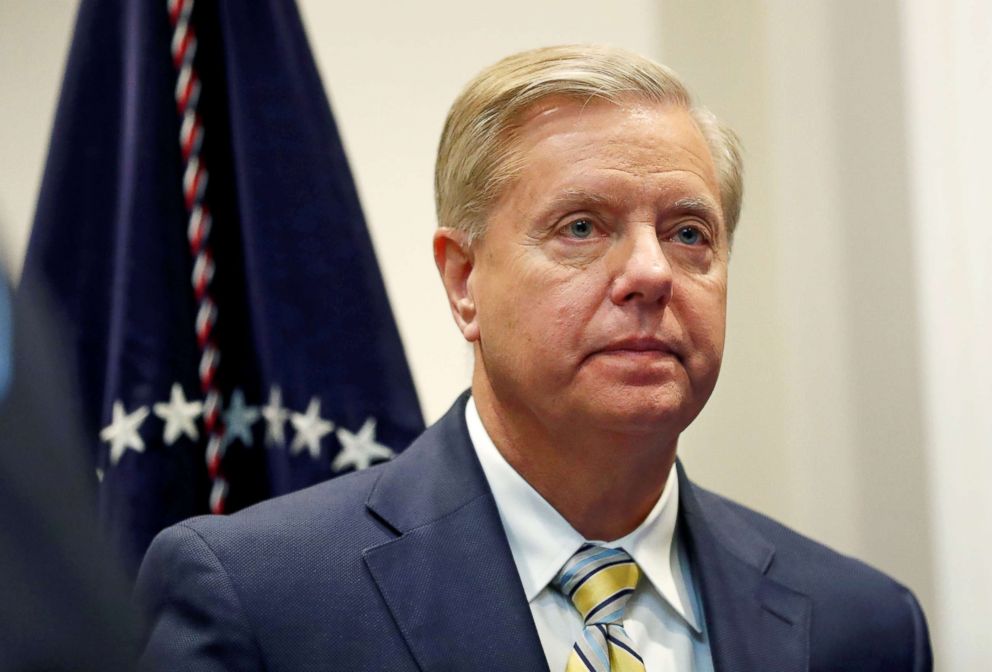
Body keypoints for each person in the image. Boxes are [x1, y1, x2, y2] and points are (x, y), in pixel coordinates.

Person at [136, 45, 932, 671]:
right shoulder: (261, 599)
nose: (652, 273)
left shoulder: (860, 626)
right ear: (463, 281)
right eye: (582, 227)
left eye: (689, 233)